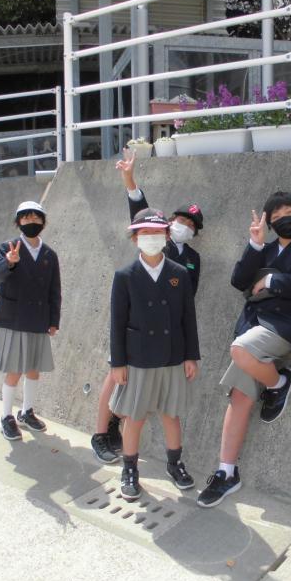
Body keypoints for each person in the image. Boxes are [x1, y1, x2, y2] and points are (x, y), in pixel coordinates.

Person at [196, 191, 291, 508]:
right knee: (240, 397)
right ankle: (226, 472)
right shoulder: (264, 250)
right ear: (269, 224)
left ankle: (278, 382)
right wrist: (254, 245)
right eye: (277, 215)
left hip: (286, 327)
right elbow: (238, 280)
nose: (285, 218)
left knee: (240, 349)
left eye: (290, 212)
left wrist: (272, 282)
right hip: (254, 326)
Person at [91, 151, 204, 463]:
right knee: (116, 379)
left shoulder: (192, 260)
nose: (184, 225)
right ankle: (102, 433)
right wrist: (130, 182)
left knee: (158, 405)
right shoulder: (151, 237)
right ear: (168, 223)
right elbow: (142, 215)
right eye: (180, 220)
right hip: (137, 331)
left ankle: (162, 457)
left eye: (191, 224)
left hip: (167, 337)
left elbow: (188, 298)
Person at [109, 207, 201, 501]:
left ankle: (175, 464)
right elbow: (116, 323)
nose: (151, 237)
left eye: (157, 232)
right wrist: (118, 362)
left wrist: (191, 355)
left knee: (171, 414)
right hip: (138, 357)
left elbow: (188, 318)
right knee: (134, 416)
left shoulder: (179, 273)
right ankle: (129, 468)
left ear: (166, 236)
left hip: (173, 355)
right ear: (135, 238)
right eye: (145, 233)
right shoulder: (124, 276)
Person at [0, 201, 62, 441]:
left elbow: (54, 290)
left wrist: (54, 320)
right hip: (15, 319)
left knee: (33, 369)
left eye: (36, 218)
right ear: (18, 222)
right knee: (14, 370)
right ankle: (6, 416)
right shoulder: (8, 247)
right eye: (26, 218)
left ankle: (27, 411)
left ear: (43, 222)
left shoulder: (49, 254)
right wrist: (9, 261)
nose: (31, 222)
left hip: (39, 320)